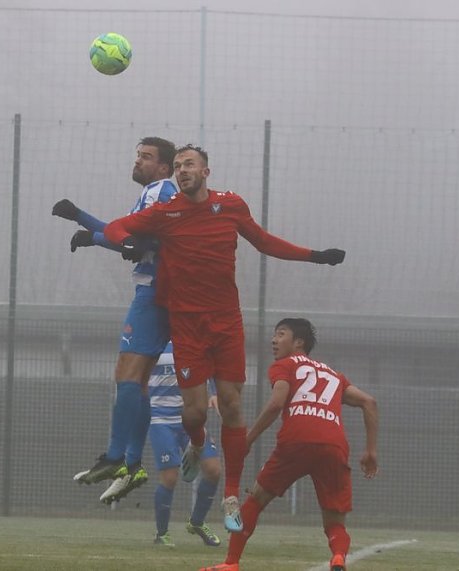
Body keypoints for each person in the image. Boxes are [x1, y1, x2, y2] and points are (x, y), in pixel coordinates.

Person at [103, 144, 346, 532]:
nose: (182, 170)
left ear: (206, 171)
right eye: (177, 166)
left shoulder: (230, 205)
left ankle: (231, 496)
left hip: (227, 323)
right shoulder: (166, 212)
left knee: (232, 405)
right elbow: (116, 227)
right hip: (187, 325)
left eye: (189, 164)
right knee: (195, 413)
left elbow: (263, 241)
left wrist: (315, 256)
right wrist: (126, 241)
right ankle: (198, 444)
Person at [53, 136, 178, 504]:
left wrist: (92, 231)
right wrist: (85, 223)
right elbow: (129, 238)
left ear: (164, 167)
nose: (138, 161)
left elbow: (140, 242)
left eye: (146, 157)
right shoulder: (156, 193)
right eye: (137, 155)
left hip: (153, 293)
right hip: (163, 292)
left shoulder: (160, 190)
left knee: (127, 375)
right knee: (139, 383)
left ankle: (115, 456)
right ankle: (132, 464)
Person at [199, 318, 379, 571]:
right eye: (274, 335)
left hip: (296, 442)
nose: (274, 340)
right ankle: (338, 557)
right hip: (333, 446)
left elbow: (276, 404)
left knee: (256, 500)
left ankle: (231, 563)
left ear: (298, 342)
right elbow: (369, 402)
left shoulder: (284, 365)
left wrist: (248, 439)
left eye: (281, 334)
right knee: (335, 521)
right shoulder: (333, 375)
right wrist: (370, 451)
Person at [142, 342, 222, 548]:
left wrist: (214, 392)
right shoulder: (153, 341)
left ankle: (197, 522)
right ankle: (162, 534)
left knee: (213, 470)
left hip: (190, 418)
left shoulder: (193, 341)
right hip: (160, 420)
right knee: (170, 477)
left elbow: (210, 365)